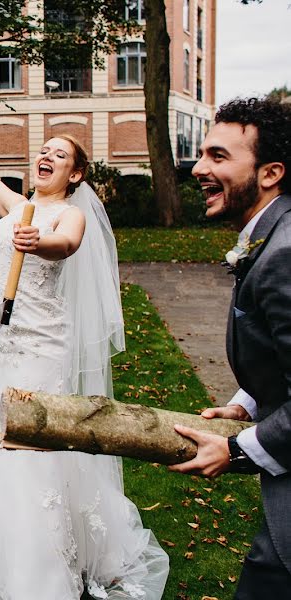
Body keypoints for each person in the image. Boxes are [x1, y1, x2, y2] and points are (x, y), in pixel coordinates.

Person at [0, 96, 168, 598]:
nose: (46, 157)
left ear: (76, 174)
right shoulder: (15, 205)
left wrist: (34, 242)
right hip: (2, 337)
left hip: (42, 342)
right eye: (44, 150)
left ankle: (38, 556)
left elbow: (65, 244)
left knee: (35, 442)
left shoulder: (69, 215)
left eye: (59, 155)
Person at [169, 97, 291, 598]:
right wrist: (246, 402)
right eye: (202, 154)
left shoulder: (282, 255)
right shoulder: (270, 235)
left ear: (270, 173)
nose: (199, 168)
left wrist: (237, 450)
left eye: (218, 156)